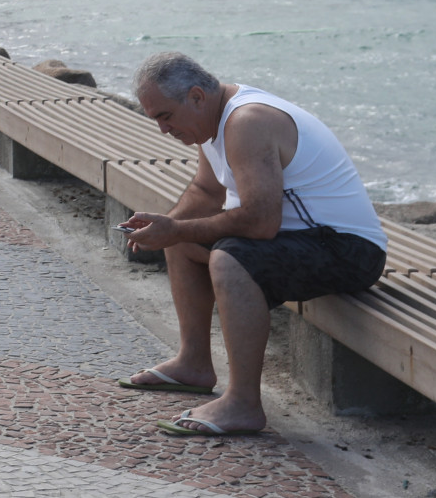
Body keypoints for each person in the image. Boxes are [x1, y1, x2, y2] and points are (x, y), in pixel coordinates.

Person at [119, 52, 388, 439]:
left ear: (196, 97)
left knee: (231, 258)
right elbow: (205, 190)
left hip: (350, 251)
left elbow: (261, 222)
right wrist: (164, 226)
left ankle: (243, 402)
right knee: (183, 236)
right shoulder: (215, 121)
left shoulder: (247, 121)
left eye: (165, 116)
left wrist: (176, 228)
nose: (163, 129)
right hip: (306, 241)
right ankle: (193, 363)